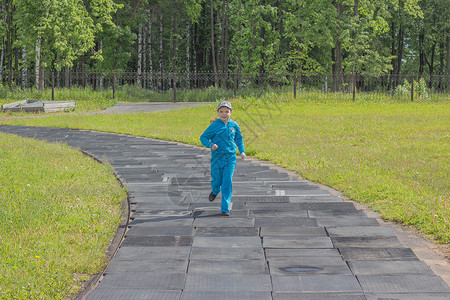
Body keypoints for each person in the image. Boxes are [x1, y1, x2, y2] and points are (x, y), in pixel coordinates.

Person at [200, 101, 246, 216]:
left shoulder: (234, 125)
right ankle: (215, 190)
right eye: (221, 111)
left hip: (230, 158)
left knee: (227, 181)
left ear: (231, 112)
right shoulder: (214, 125)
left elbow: (239, 139)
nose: (224, 114)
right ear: (218, 113)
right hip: (217, 158)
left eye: (226, 111)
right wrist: (211, 145)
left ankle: (225, 208)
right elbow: (203, 137)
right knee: (216, 181)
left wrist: (242, 151)